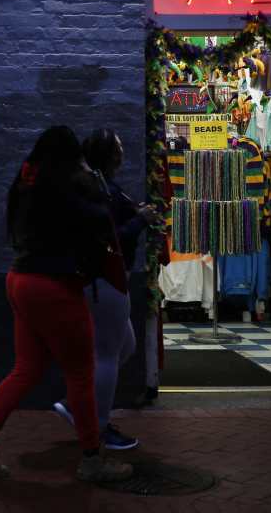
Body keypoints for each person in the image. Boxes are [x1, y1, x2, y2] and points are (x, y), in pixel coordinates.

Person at [0, 126, 134, 483]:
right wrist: (91, 180)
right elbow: (101, 219)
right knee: (82, 373)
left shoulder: (27, 185)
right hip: (55, 286)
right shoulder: (68, 187)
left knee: (26, 370)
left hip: (19, 281)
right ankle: (91, 457)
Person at [51, 128, 158, 451]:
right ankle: (96, 426)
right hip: (105, 280)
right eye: (120, 146)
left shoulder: (101, 187)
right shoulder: (100, 190)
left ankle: (77, 405)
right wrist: (141, 219)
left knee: (125, 345)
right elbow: (112, 236)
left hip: (107, 279)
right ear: (110, 155)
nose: (124, 151)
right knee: (108, 354)